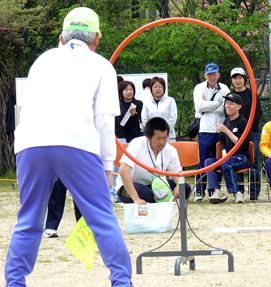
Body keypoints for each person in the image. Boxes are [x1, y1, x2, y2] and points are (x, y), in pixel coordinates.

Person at [4, 7, 132, 286]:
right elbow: (103, 122)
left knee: (29, 218)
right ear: (96, 39)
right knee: (101, 217)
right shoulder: (101, 65)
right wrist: (108, 167)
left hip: (31, 143)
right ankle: (122, 281)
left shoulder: (42, 60)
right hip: (77, 143)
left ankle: (15, 282)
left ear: (61, 37)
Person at [116, 117, 191, 203]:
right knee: (147, 194)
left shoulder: (171, 150)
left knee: (185, 188)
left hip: (157, 186)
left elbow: (178, 174)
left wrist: (178, 185)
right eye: (158, 138)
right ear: (148, 137)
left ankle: (166, 203)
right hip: (131, 186)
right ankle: (157, 201)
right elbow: (123, 171)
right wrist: (136, 199)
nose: (162, 142)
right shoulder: (136, 144)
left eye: (165, 138)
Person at [193, 63, 230, 202]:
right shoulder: (199, 88)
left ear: (219, 74)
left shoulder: (225, 88)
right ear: (205, 76)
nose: (212, 76)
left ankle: (214, 191)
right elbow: (199, 106)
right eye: (209, 74)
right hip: (204, 130)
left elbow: (225, 108)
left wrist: (207, 106)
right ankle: (199, 191)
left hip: (220, 129)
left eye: (214, 73)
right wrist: (216, 104)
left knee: (216, 161)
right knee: (202, 161)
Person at [204, 93, 250, 204]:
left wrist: (227, 131)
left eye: (231, 103)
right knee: (209, 162)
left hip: (241, 157)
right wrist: (224, 154)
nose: (227, 106)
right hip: (228, 157)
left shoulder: (243, 122)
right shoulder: (226, 121)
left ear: (238, 106)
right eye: (226, 103)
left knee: (226, 164)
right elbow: (222, 142)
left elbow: (240, 143)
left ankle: (237, 193)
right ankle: (216, 191)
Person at [230, 67, 263, 200]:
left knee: (252, 160)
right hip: (236, 134)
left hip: (252, 132)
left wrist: (249, 124)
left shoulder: (252, 94)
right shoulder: (231, 96)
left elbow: (259, 112)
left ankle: (254, 193)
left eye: (240, 78)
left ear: (244, 79)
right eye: (235, 78)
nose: (237, 81)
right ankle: (240, 192)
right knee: (237, 159)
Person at [141, 77, 178, 141]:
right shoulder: (147, 102)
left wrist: (164, 132)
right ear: (151, 89)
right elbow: (144, 119)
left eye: (160, 86)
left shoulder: (170, 100)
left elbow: (173, 118)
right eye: (155, 87)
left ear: (164, 88)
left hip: (168, 136)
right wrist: (153, 132)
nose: (157, 89)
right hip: (152, 136)